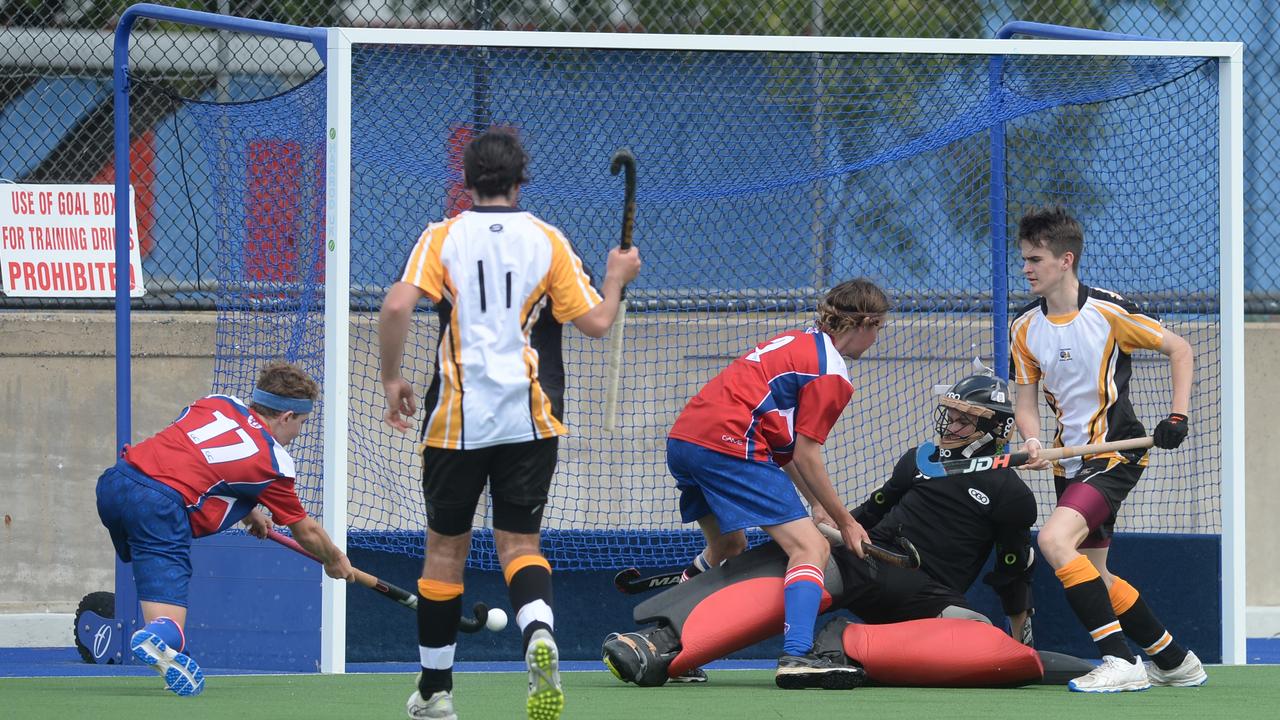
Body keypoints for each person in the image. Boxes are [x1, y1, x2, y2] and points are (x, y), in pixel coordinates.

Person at [379, 128, 641, 720]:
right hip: (533, 415)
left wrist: (392, 378)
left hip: (456, 419)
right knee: (521, 544)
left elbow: (397, 305)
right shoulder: (547, 239)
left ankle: (435, 692)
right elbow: (597, 323)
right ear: (522, 179)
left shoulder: (441, 236)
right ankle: (538, 637)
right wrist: (617, 278)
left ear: (466, 181)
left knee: (445, 552)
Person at [604, 372, 1051, 688]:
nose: (951, 426)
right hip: (875, 557)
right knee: (808, 556)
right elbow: (868, 515)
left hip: (928, 594)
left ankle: (843, 645)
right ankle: (658, 644)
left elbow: (1013, 573)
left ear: (996, 428)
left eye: (965, 420)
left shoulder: (1013, 496)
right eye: (950, 415)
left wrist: (1020, 643)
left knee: (978, 632)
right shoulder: (919, 459)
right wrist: (832, 527)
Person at [1011, 205, 1206, 692]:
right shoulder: (1023, 328)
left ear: (1066, 260)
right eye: (1024, 259)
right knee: (1094, 571)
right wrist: (1032, 439)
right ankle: (1175, 660)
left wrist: (1177, 416)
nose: (1027, 268)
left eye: (1035, 259)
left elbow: (1180, 349)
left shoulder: (1109, 311)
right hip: (1067, 460)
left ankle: (1119, 660)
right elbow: (1026, 399)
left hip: (1116, 453)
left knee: (1054, 542)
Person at [664, 278, 887, 690]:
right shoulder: (831, 372)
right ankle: (798, 654)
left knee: (728, 547)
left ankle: (666, 644)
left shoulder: (795, 341)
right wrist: (846, 520)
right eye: (879, 329)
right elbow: (806, 453)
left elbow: (782, 445)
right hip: (729, 444)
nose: (876, 340)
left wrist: (815, 506)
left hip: (685, 440)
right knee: (811, 546)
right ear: (867, 323)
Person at [95, 360, 356, 697]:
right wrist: (333, 558)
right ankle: (162, 637)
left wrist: (249, 514)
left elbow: (201, 460)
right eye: (302, 424)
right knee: (167, 580)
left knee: (153, 557)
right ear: (286, 416)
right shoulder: (273, 463)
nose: (298, 434)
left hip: (117, 481)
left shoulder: (219, 401)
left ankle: (175, 657)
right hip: (159, 505)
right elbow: (305, 530)